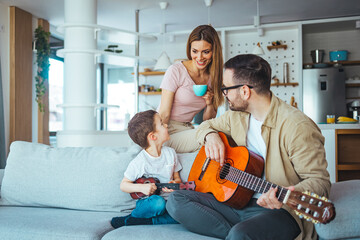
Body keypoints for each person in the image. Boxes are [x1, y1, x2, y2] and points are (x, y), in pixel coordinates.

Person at [166, 54, 331, 240]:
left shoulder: (297, 126)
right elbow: (206, 125)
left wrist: (284, 195)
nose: (224, 94)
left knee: (240, 234)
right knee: (175, 200)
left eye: (226, 89)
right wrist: (210, 136)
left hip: (279, 211)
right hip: (238, 201)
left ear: (245, 91)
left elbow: (319, 181)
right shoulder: (237, 116)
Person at [157, 24, 224, 153]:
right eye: (195, 51)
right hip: (166, 129)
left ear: (214, 51)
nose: (199, 57)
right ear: (190, 49)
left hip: (188, 128)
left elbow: (208, 121)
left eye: (206, 52)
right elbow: (163, 113)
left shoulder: (214, 78)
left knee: (214, 135)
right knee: (211, 136)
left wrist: (209, 104)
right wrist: (157, 142)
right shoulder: (176, 71)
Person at [111, 110, 182, 228]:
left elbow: (177, 178)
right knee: (157, 203)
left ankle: (140, 221)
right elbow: (123, 185)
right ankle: (134, 216)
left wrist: (175, 183)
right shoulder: (140, 161)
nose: (166, 125)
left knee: (183, 213)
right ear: (153, 136)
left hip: (169, 201)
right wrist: (141, 187)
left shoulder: (171, 153)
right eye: (161, 123)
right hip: (148, 203)